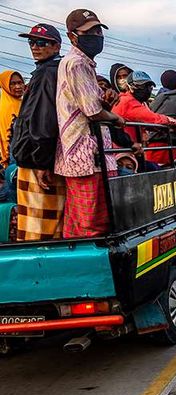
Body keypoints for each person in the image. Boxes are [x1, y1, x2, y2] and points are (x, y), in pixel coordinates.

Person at [56, 8, 125, 238]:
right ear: (72, 36)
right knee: (92, 225)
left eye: (98, 30)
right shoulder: (77, 64)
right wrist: (116, 118)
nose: (96, 35)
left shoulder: (82, 64)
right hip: (85, 156)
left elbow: (93, 107)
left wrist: (107, 104)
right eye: (89, 31)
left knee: (78, 224)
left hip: (86, 156)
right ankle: (93, 270)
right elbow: (93, 112)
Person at [10, 23, 66, 241]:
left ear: (56, 46)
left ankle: (40, 272)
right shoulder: (50, 70)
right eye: (31, 41)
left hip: (37, 163)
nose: (35, 46)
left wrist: (42, 162)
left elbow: (45, 120)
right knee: (50, 227)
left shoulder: (47, 73)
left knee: (38, 232)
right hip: (39, 159)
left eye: (42, 42)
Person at [111, 70, 176, 167]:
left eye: (149, 87)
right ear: (131, 87)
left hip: (133, 150)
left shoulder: (139, 103)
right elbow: (153, 118)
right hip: (124, 154)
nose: (147, 89)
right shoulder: (127, 102)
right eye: (142, 86)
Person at [0, 70, 25, 169]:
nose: (18, 87)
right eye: (13, 84)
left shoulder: (23, 103)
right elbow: (6, 137)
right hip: (12, 158)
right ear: (5, 86)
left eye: (20, 82)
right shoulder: (5, 107)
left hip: (21, 155)